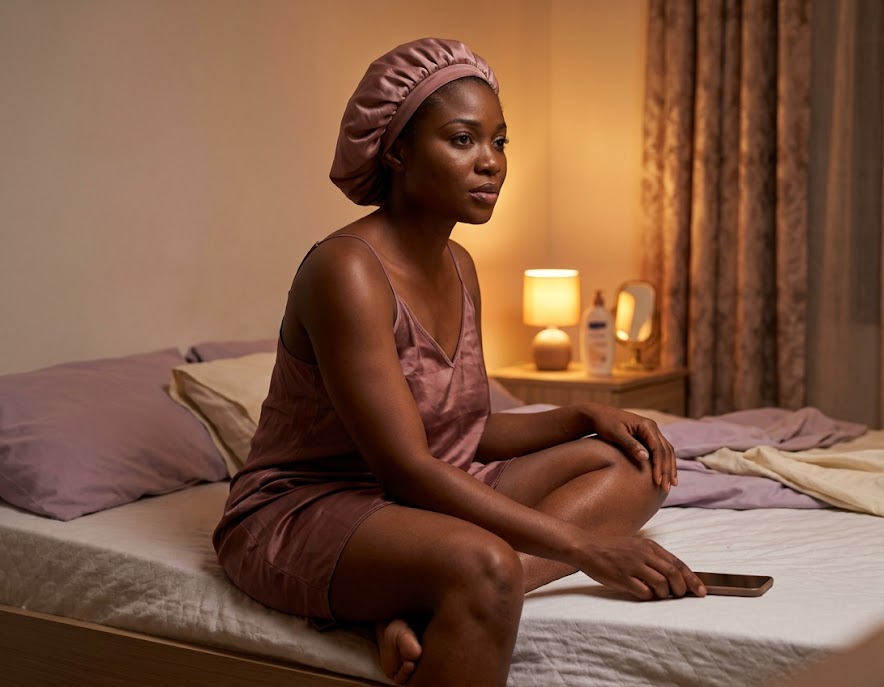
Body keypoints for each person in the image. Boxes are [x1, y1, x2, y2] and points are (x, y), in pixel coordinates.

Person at [213, 37, 705, 687]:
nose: (491, 163)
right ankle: (462, 589)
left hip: (417, 494)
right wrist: (587, 549)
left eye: (500, 142)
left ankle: (418, 610)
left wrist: (588, 414)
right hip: (309, 507)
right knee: (485, 564)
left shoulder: (460, 265)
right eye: (463, 139)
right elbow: (408, 466)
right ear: (396, 151)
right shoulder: (347, 271)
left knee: (636, 467)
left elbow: (467, 429)